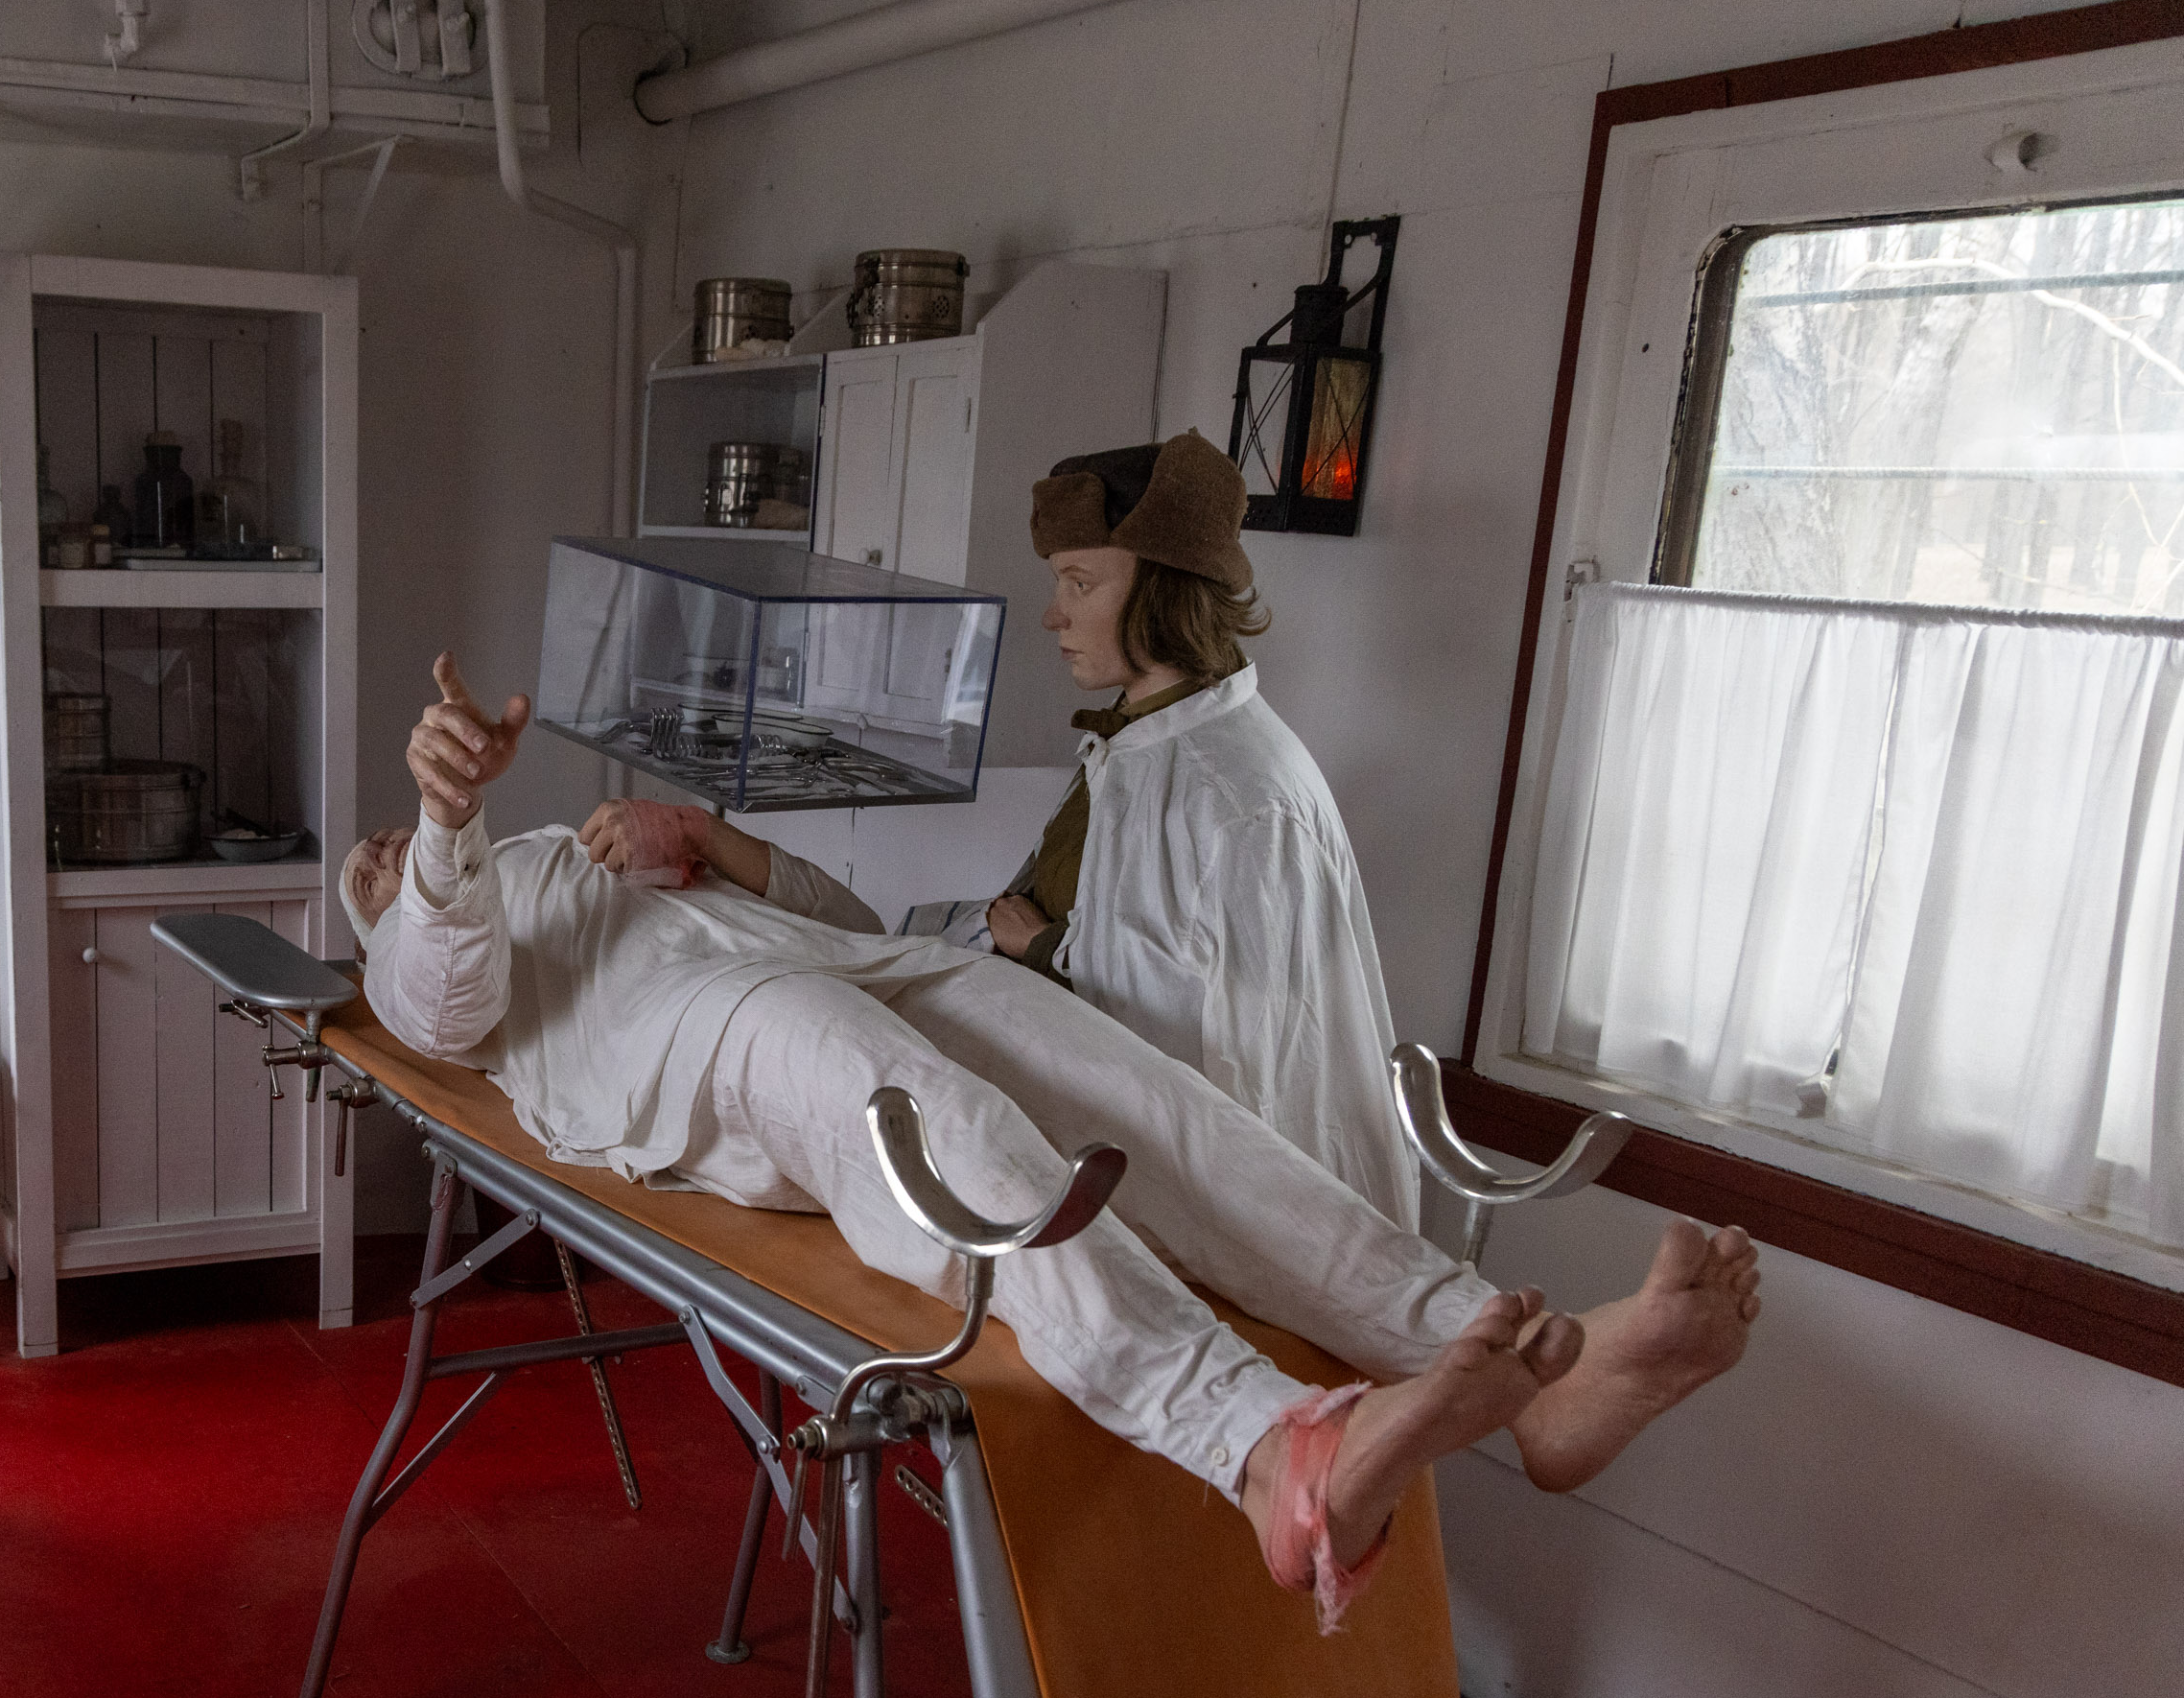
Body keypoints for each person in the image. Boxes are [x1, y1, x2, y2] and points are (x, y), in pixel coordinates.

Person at [345, 653, 1759, 1627]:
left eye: (383, 847)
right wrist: (443, 827)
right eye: (368, 877)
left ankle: (1515, 1363)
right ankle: (1265, 1451)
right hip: (693, 1045)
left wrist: (709, 842)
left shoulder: (568, 856)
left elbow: (846, 918)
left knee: (1148, 1102)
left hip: (837, 965)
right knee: (934, 1116)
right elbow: (441, 1000)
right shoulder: (432, 935)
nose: (379, 860)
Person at [984, 432, 1417, 1226]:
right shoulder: (1137, 744)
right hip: (1110, 1167)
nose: (1054, 615)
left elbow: (1245, 1066)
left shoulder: (1238, 796)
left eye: (1080, 583)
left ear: (1162, 587)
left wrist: (1043, 948)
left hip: (1225, 1212)